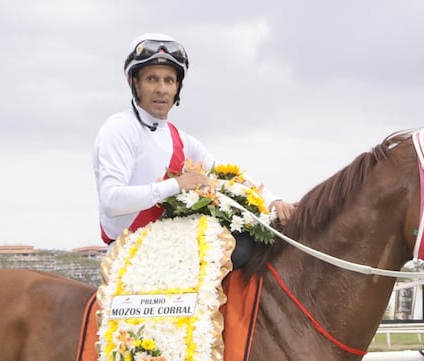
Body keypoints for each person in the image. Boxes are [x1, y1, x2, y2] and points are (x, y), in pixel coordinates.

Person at [93, 33, 293, 245]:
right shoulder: (119, 128)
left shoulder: (180, 139)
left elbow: (229, 177)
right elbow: (112, 201)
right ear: (134, 82)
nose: (161, 89)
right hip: (128, 254)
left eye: (169, 80)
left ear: (177, 87)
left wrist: (272, 200)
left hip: (173, 246)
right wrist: (177, 185)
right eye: (152, 79)